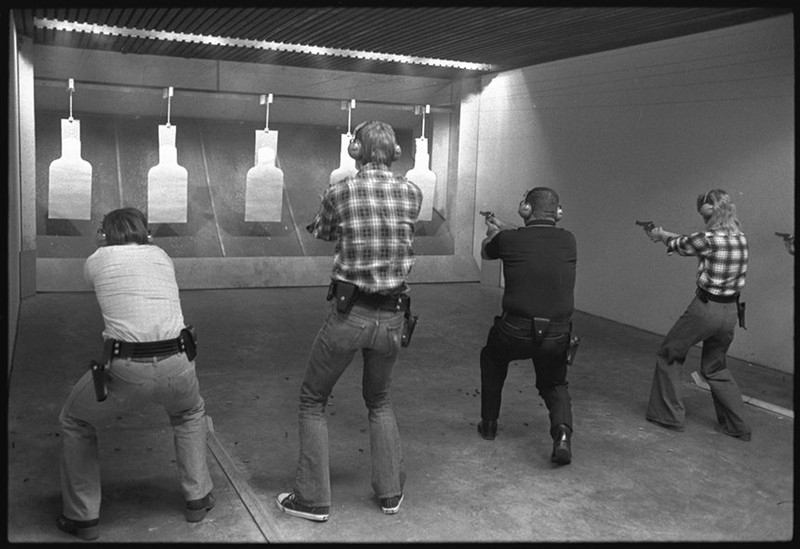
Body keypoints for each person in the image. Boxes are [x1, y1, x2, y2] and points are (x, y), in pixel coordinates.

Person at [276, 121, 423, 522]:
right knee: (379, 400)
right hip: (393, 318)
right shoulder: (412, 192)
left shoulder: (340, 190)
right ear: (395, 154)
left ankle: (312, 499)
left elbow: (323, 232)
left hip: (351, 313)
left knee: (312, 400)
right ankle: (390, 493)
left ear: (355, 151)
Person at [56, 207, 214, 541]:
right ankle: (198, 498)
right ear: (147, 234)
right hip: (180, 360)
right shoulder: (162, 255)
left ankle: (82, 517)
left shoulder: (96, 259)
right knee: (189, 413)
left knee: (74, 420)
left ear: (104, 234)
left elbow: (93, 278)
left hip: (128, 368)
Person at [478, 187, 577, 465]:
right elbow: (536, 239)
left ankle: (489, 424)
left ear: (525, 209)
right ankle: (562, 435)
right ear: (557, 212)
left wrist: (492, 233)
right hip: (557, 333)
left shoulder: (509, 240)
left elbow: (488, 253)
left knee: (492, 358)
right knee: (555, 382)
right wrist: (505, 228)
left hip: (514, 330)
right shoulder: (569, 240)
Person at [644, 189, 751, 440]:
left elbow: (683, 244)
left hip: (706, 309)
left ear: (712, 212)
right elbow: (692, 240)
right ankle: (737, 425)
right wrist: (666, 235)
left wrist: (661, 236)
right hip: (730, 312)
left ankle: (667, 415)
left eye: (705, 215)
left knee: (669, 353)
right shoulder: (740, 238)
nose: (703, 220)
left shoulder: (710, 238)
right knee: (715, 366)